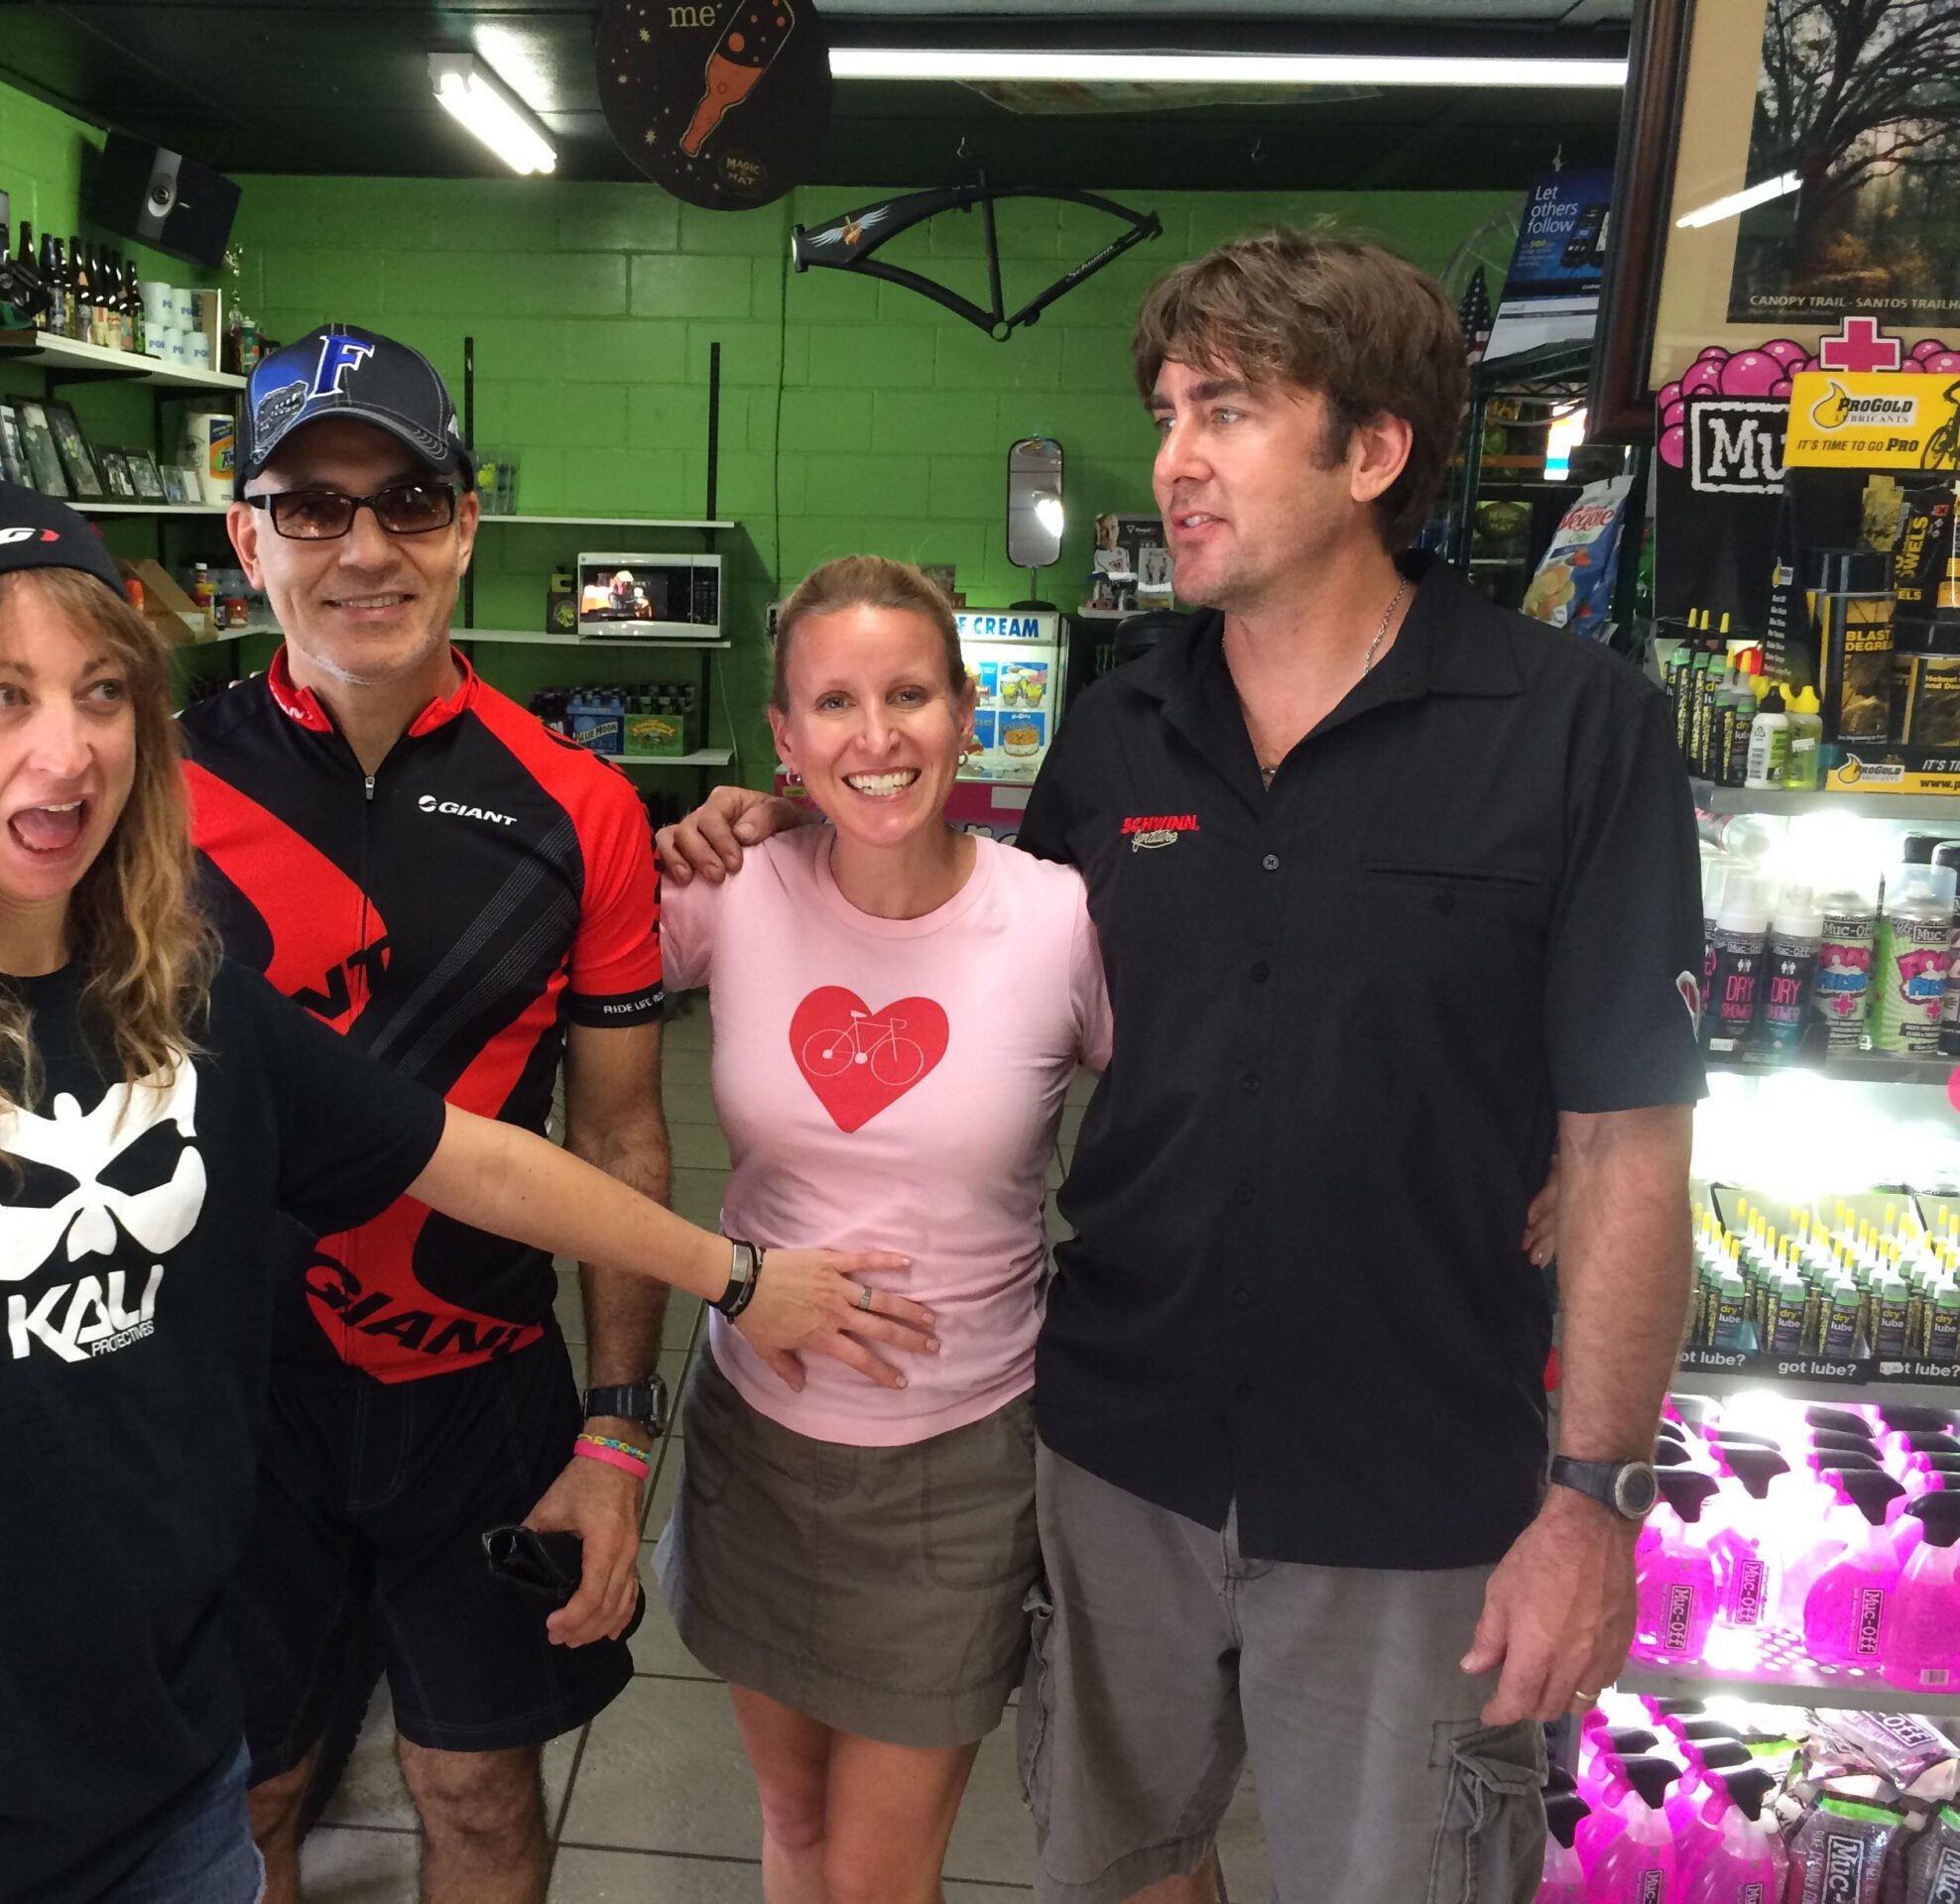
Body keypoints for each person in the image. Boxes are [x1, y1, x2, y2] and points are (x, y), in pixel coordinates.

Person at [0, 475, 933, 1904]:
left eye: (100, 692)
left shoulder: (184, 1003)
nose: (70, 746)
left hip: (171, 1796)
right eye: (3, 695)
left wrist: (741, 1284)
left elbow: (477, 1160)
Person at [659, 228, 1703, 1903]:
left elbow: (1635, 1144)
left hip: (1412, 1470)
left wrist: (1593, 1503)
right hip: (1119, 1445)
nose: (1172, 459)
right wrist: (800, 807)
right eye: (1165, 409)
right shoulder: (1120, 731)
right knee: (1119, 1863)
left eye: (1226, 410)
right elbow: (981, 944)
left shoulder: (1574, 731)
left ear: (1372, 452)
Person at [185, 322, 821, 1904]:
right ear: (245, 535)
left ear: (465, 523)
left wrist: (618, 1433)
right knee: (241, 1802)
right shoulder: (153, 787)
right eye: (313, 508)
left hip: (475, 1398)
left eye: (408, 500)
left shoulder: (579, 806)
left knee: (474, 1796)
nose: (367, 550)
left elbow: (618, 1139)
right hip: (216, 1399)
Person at [656, 553, 1110, 1904]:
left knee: (877, 1869)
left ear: (968, 713)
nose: (876, 736)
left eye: (910, 694)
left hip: (958, 1466)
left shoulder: (1055, 919)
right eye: (833, 704)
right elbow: (541, 940)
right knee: (793, 1821)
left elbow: (1212, 1108)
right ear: (784, 737)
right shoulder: (732, 893)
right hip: (756, 1450)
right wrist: (671, 829)